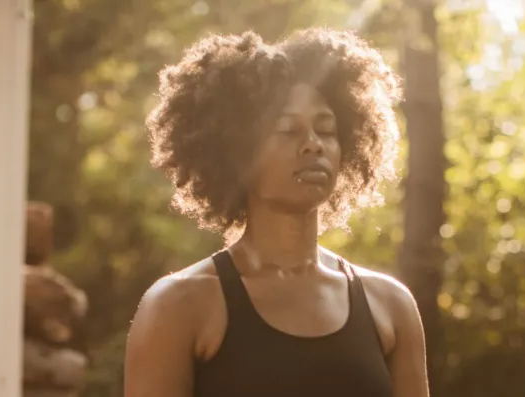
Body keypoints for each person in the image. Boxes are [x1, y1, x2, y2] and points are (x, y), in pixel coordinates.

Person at [125, 27, 429, 397]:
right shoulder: (178, 306)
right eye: (288, 130)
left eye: (326, 129)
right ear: (238, 152)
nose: (313, 145)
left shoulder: (390, 305)